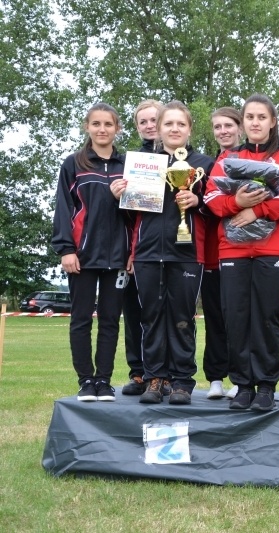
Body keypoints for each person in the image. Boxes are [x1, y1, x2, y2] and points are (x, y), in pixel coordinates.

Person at [205, 94, 279, 410]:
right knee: (235, 318)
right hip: (232, 251)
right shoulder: (228, 158)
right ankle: (243, 385)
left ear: (273, 121)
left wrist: (257, 210)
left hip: (272, 251)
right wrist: (236, 202)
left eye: (262, 117)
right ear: (243, 122)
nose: (255, 123)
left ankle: (265, 386)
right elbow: (210, 198)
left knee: (266, 318)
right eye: (250, 117)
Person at [126, 100, 214, 405]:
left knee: (182, 318)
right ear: (159, 128)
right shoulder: (144, 163)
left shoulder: (204, 164)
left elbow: (217, 206)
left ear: (189, 129)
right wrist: (120, 195)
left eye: (180, 124)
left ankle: (182, 382)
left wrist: (198, 202)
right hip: (148, 252)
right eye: (168, 124)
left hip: (188, 252)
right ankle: (154, 378)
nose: (174, 129)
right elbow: (131, 214)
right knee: (150, 317)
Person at [52, 103, 129, 402]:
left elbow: (139, 214)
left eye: (108, 124)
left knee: (110, 320)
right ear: (87, 127)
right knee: (81, 319)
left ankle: (104, 381)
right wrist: (66, 249)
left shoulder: (128, 164)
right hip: (81, 257)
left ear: (117, 128)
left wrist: (133, 251)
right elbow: (63, 208)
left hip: (119, 256)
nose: (102, 129)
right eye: (96, 123)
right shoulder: (73, 164)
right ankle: (86, 380)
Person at [121, 99, 163, 396]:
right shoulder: (132, 162)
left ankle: (167, 374)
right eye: (143, 121)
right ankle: (138, 372)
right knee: (136, 313)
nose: (150, 126)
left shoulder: (182, 158)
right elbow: (130, 215)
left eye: (154, 120)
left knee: (169, 316)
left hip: (175, 250)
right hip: (140, 249)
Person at [201, 107, 243, 400]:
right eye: (217, 127)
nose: (223, 131)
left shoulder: (252, 159)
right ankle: (215, 378)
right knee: (214, 317)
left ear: (239, 127)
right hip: (211, 252)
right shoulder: (206, 165)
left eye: (228, 125)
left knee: (239, 318)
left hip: (241, 251)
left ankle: (241, 377)